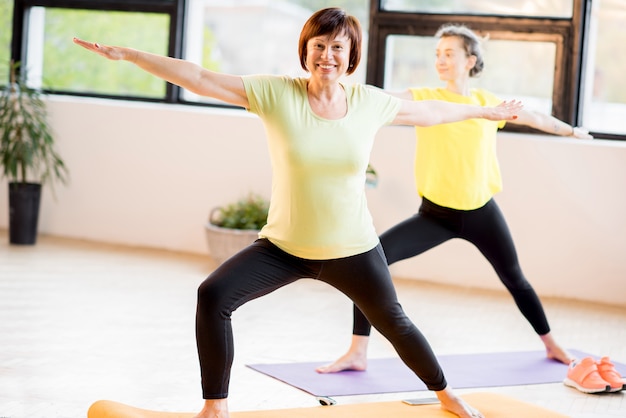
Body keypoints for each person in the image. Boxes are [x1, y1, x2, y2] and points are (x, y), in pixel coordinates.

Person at [74, 9, 522, 418]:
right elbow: (199, 77)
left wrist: (486, 110)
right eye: (319, 46)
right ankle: (215, 407)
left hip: (353, 249)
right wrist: (130, 55)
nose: (327, 55)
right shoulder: (276, 94)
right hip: (283, 247)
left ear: (351, 57)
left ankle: (447, 395)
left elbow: (431, 110)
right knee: (213, 296)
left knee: (397, 325)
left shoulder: (368, 102)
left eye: (337, 47)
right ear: (306, 51)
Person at [316, 23, 592, 375]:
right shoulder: (426, 96)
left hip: (481, 212)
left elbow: (535, 117)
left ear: (469, 61)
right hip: (435, 216)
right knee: (373, 262)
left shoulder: (488, 104)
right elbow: (379, 95)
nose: (441, 60)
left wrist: (572, 130)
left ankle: (553, 344)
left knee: (515, 278)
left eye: (449, 54)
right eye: (437, 54)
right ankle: (357, 351)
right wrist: (335, 79)